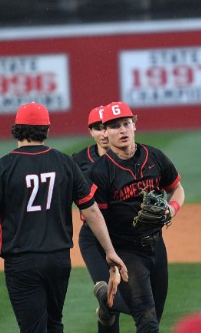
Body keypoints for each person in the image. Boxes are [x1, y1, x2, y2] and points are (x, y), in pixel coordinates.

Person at [0, 102, 128, 333]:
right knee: (54, 324)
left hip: (22, 262)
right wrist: (110, 251)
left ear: (16, 129)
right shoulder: (65, 163)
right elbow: (91, 211)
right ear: (46, 130)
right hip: (59, 259)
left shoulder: (3, 167)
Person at [88, 101, 186, 333]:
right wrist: (110, 258)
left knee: (155, 316)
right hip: (126, 252)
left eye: (126, 123)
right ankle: (109, 304)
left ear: (134, 125)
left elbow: (176, 188)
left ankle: (108, 305)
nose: (122, 130)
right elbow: (96, 219)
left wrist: (172, 209)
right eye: (114, 126)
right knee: (146, 318)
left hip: (156, 246)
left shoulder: (155, 157)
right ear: (105, 132)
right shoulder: (100, 171)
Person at [72, 105, 132, 332]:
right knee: (114, 298)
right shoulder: (79, 160)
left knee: (112, 304)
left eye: (106, 127)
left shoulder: (130, 156)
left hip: (125, 236)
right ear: (91, 131)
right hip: (95, 237)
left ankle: (106, 313)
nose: (103, 133)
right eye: (98, 128)